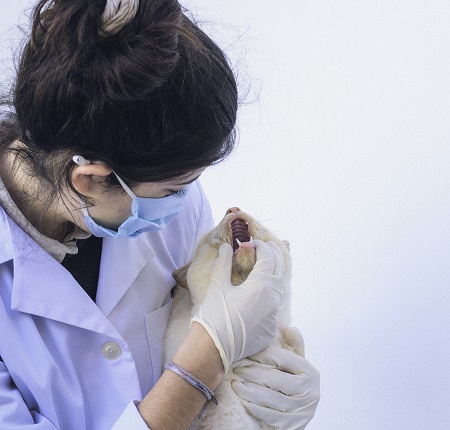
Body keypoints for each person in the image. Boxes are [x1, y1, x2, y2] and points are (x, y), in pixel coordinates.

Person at [0, 0, 320, 428]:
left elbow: (212, 329)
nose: (184, 200)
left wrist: (264, 390)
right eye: (172, 189)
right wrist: (207, 357)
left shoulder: (159, 203)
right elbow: (209, 344)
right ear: (91, 181)